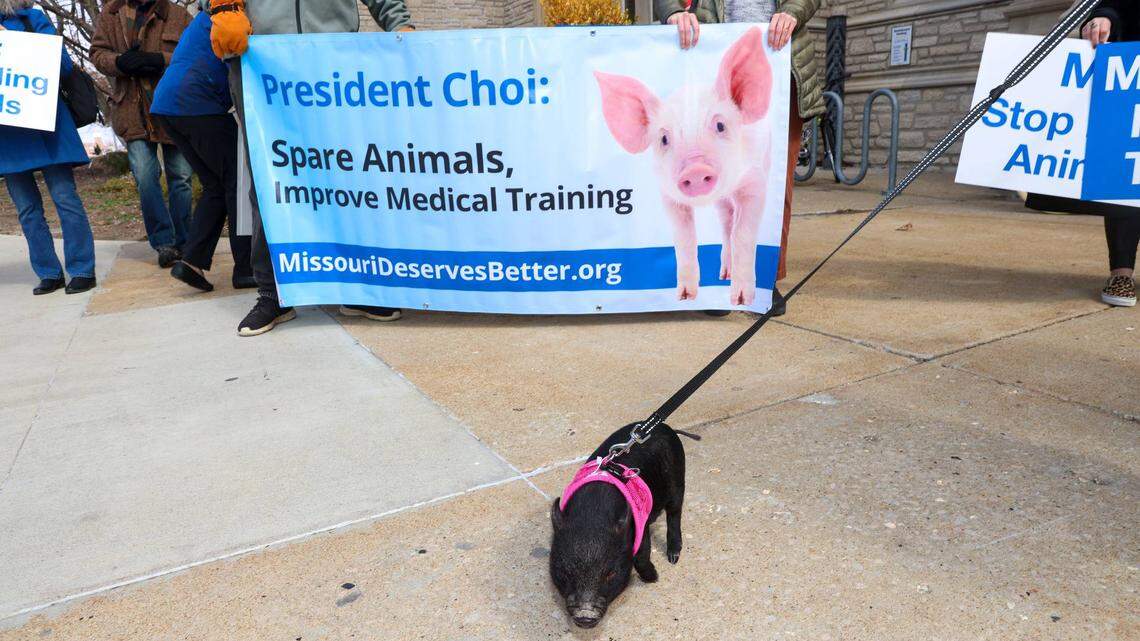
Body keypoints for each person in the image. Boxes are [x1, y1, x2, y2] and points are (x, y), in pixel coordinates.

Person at [208, 0, 415, 336]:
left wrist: (400, 24)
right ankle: (273, 293)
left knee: (345, 173)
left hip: (333, 59)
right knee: (271, 177)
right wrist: (221, 9)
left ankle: (357, 286)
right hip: (261, 61)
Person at [655, 0, 825, 317]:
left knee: (776, 184)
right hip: (711, 62)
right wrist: (673, 12)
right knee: (722, 193)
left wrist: (793, 12)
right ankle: (720, 281)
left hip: (777, 64)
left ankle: (766, 277)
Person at [150, 1, 253, 292]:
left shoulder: (208, 15)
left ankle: (192, 262)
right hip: (198, 102)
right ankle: (246, 268)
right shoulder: (233, 16)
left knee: (215, 185)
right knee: (237, 181)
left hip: (169, 105)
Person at [0, 1, 97, 295]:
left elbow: (64, 66)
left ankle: (82, 269)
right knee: (27, 209)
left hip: (47, 125)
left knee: (65, 197)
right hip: (7, 135)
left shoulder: (31, 19)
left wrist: (12, 41)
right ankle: (48, 273)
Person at [91, 0, 194, 269]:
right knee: (145, 177)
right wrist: (119, 62)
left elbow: (196, 54)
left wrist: (160, 60)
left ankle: (186, 241)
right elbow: (97, 53)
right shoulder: (111, 13)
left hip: (174, 107)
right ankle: (164, 243)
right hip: (132, 110)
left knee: (181, 177)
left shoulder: (178, 15)